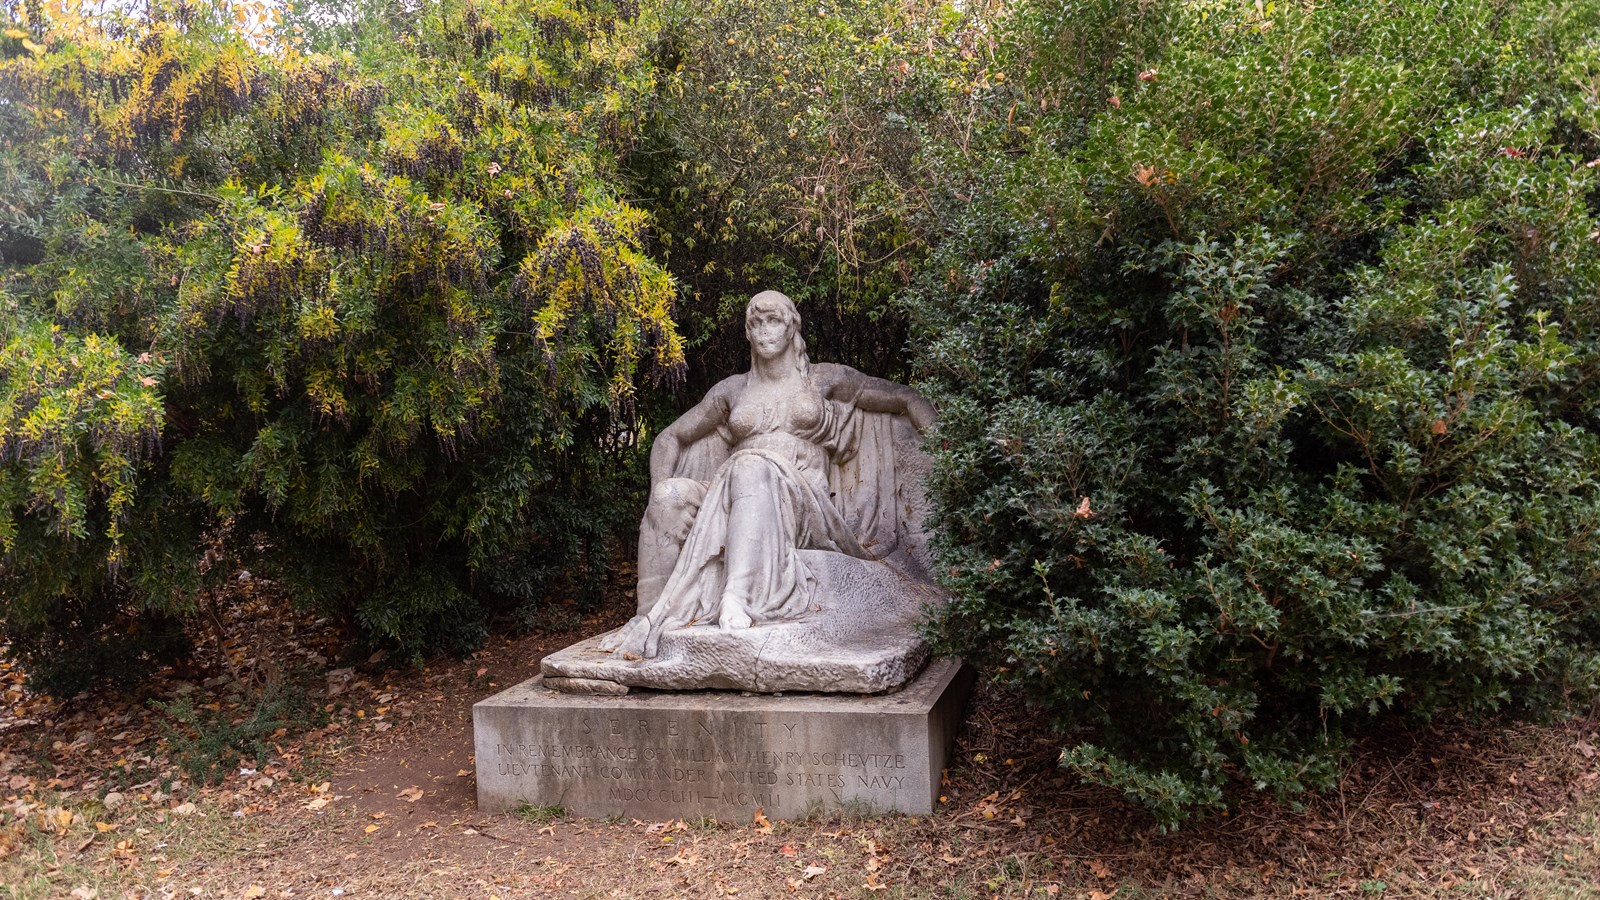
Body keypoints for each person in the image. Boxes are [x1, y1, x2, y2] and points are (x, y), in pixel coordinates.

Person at [601, 290, 935, 660]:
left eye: (773, 321)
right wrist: (656, 494)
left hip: (804, 500)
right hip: (735, 485)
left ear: (793, 326)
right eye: (755, 323)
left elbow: (904, 398)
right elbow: (669, 438)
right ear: (747, 331)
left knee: (751, 466)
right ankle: (650, 615)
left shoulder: (822, 379)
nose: (764, 331)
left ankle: (736, 597)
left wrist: (941, 443)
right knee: (671, 498)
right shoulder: (731, 391)